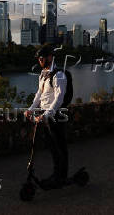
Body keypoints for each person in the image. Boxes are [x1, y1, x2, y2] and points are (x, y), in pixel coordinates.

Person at [24, 44, 68, 189]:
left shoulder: (59, 75)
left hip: (55, 115)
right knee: (52, 147)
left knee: (59, 146)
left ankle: (61, 176)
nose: (40, 61)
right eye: (38, 59)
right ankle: (57, 174)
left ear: (50, 57)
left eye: (41, 58)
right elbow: (39, 94)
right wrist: (31, 109)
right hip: (44, 114)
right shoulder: (43, 74)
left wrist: (48, 114)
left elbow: (59, 97)